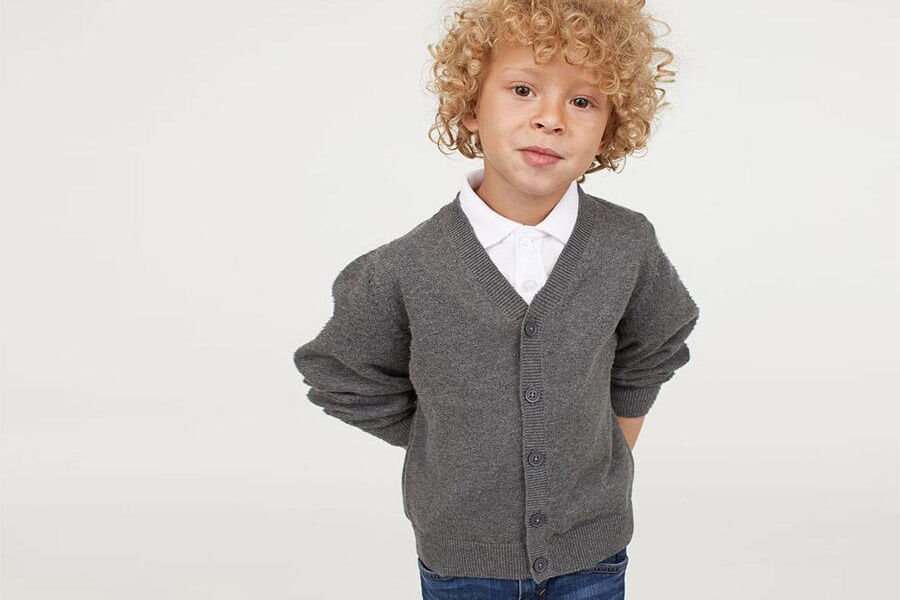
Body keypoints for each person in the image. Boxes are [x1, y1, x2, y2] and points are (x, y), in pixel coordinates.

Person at [293, 1, 700, 597]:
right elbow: (339, 373)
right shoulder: (405, 267)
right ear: (470, 105)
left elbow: (654, 346)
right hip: (462, 560)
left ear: (610, 129)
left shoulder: (626, 243)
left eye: (583, 101)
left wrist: (611, 443)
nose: (550, 119)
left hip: (593, 553)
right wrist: (445, 437)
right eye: (522, 90)